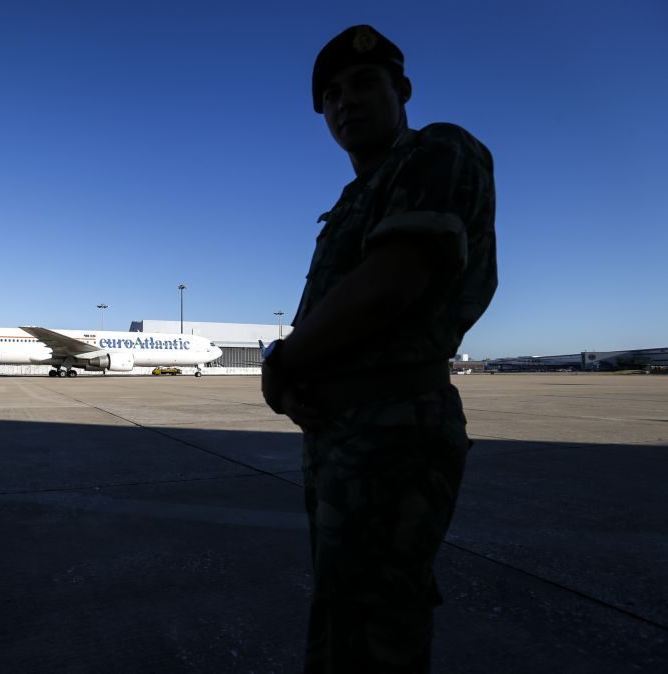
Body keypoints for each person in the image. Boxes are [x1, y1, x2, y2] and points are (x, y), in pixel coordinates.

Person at [261, 25, 497, 673]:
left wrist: (281, 362)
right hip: (346, 433)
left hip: (394, 429)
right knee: (344, 613)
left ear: (403, 90)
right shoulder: (353, 198)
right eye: (329, 94)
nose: (344, 101)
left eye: (364, 83)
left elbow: (391, 282)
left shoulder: (438, 149)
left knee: (374, 627)